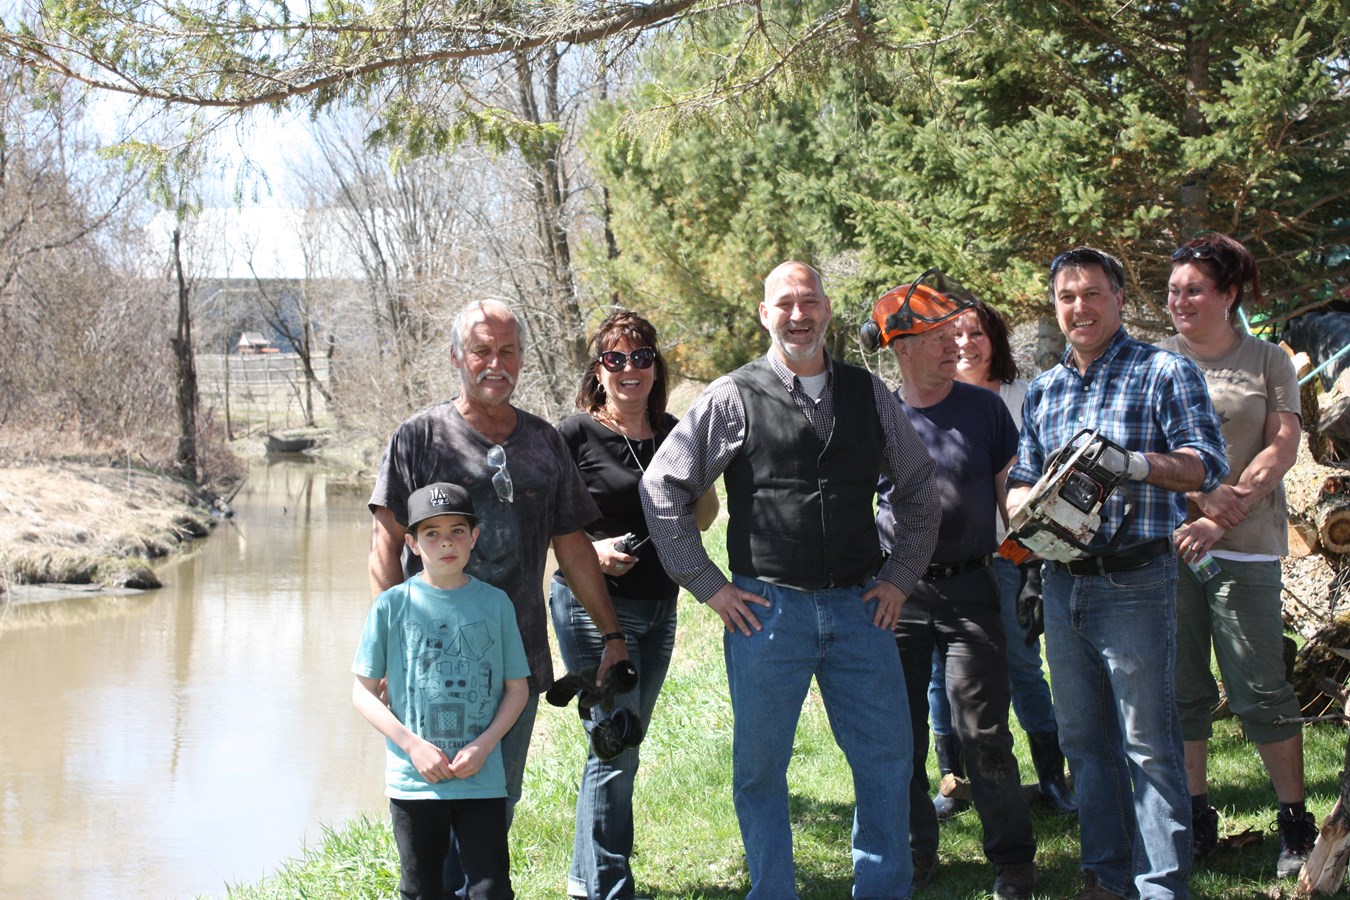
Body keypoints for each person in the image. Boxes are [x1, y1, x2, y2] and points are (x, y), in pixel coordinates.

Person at [639, 260, 940, 899]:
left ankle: (882, 890)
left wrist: (900, 577)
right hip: (767, 612)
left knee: (887, 761)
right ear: (764, 314)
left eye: (809, 302)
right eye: (784, 304)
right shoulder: (733, 395)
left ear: (826, 309)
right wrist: (709, 585)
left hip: (861, 607)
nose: (798, 315)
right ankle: (773, 890)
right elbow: (663, 485)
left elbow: (917, 485)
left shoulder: (869, 394)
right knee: (759, 768)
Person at [368, 299, 630, 891]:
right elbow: (384, 548)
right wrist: (386, 655)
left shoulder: (544, 442)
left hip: (515, 667)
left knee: (494, 809)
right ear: (456, 357)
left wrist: (612, 635)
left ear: (521, 358)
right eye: (482, 350)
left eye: (508, 351)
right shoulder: (418, 437)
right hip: (427, 671)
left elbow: (574, 548)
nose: (496, 363)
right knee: (431, 820)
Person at [1006, 247, 1228, 900]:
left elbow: (1205, 463)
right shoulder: (1044, 389)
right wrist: (1024, 506)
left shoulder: (1164, 371)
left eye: (1092, 294)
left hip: (1135, 582)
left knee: (1147, 744)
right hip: (1062, 582)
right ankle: (1106, 878)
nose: (1079, 307)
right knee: (1083, 740)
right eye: (1066, 296)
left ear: (1120, 299)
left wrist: (1135, 464)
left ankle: (1160, 886)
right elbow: (1022, 474)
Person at [870, 273, 1038, 898]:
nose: (954, 345)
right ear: (902, 347)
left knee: (983, 730)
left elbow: (1010, 497)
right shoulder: (877, 416)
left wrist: (1029, 565)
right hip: (897, 595)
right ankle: (916, 851)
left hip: (972, 589)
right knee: (902, 734)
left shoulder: (984, 409)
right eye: (938, 336)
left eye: (953, 334)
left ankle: (1013, 859)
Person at [1157, 233, 1314, 876]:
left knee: (1260, 687)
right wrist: (1198, 503)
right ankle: (1197, 819)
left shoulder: (1268, 360)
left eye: (1194, 289)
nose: (1179, 301)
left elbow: (1283, 444)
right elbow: (1148, 451)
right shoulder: (1154, 360)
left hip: (1245, 550)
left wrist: (1223, 515)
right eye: (1173, 290)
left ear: (1228, 294)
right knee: (1182, 689)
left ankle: (1296, 824)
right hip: (1169, 547)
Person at [551, 311, 719, 900]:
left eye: (641, 357)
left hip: (658, 605)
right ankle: (608, 888)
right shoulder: (574, 435)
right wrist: (591, 551)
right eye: (615, 358)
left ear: (655, 366)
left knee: (626, 741)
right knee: (614, 741)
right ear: (598, 371)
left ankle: (587, 880)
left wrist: (699, 478)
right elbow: (542, 520)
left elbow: (704, 518)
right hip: (592, 608)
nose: (630, 368)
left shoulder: (674, 431)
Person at [925, 301, 1076, 819]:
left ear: (996, 341)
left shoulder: (1022, 397)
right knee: (942, 671)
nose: (965, 344)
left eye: (976, 334)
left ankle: (1052, 778)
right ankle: (953, 780)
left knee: (1023, 665)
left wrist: (1032, 562)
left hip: (1013, 556)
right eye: (955, 335)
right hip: (951, 561)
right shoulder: (934, 396)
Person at [353, 482, 529, 900]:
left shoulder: (496, 604)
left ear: (474, 537)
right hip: (414, 781)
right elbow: (362, 693)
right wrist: (413, 746)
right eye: (431, 533)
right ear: (412, 544)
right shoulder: (391, 606)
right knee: (421, 889)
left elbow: (517, 689)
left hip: (480, 778)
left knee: (491, 889)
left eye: (457, 531)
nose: (446, 542)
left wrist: (485, 746)